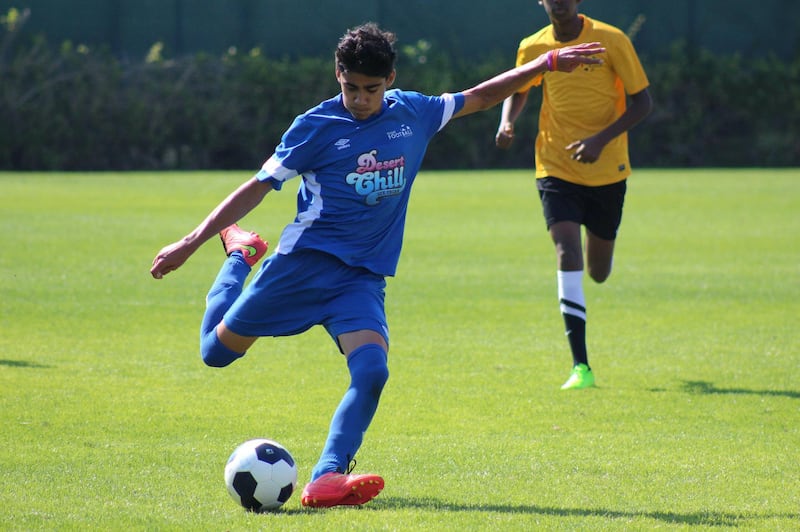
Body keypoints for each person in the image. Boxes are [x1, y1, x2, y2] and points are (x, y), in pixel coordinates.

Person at [150, 22, 604, 507]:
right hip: (301, 268)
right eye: (350, 88)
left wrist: (545, 63)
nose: (360, 99)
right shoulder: (316, 127)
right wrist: (192, 241)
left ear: (390, 79)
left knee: (372, 372)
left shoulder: (415, 112)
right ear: (337, 74)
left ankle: (326, 476)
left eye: (371, 89)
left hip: (361, 279)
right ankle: (240, 254)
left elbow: (480, 97)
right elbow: (257, 186)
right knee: (214, 354)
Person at [495, 0, 652, 390]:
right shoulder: (533, 45)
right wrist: (507, 122)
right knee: (567, 251)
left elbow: (643, 102)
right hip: (555, 165)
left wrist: (601, 140)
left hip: (607, 168)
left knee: (598, 272)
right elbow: (520, 86)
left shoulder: (611, 39)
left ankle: (595, 261)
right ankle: (581, 366)